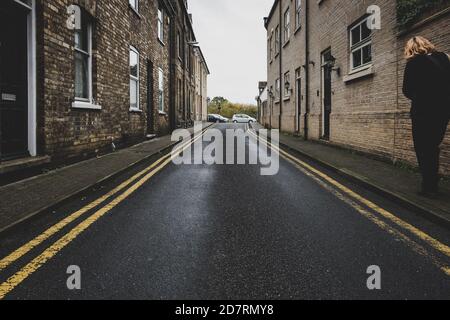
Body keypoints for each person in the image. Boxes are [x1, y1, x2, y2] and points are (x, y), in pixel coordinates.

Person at [402, 36, 450, 197]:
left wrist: (419, 96)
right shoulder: (444, 58)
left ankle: (428, 188)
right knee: (433, 147)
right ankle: (432, 185)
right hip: (443, 112)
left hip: (422, 112)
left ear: (410, 49)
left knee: (423, 149)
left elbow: (406, 89)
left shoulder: (413, 63)